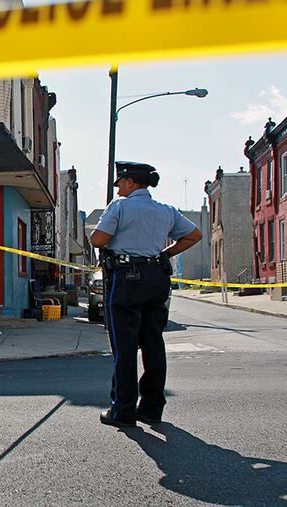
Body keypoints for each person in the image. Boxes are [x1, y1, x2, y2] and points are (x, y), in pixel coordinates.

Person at [90, 161, 202, 428]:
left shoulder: (120, 207)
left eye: (120, 184)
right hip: (156, 278)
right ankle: (151, 408)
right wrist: (166, 253)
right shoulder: (165, 211)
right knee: (153, 343)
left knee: (125, 347)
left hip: (127, 278)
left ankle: (123, 409)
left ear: (130, 182)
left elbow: (97, 239)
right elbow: (194, 235)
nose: (118, 190)